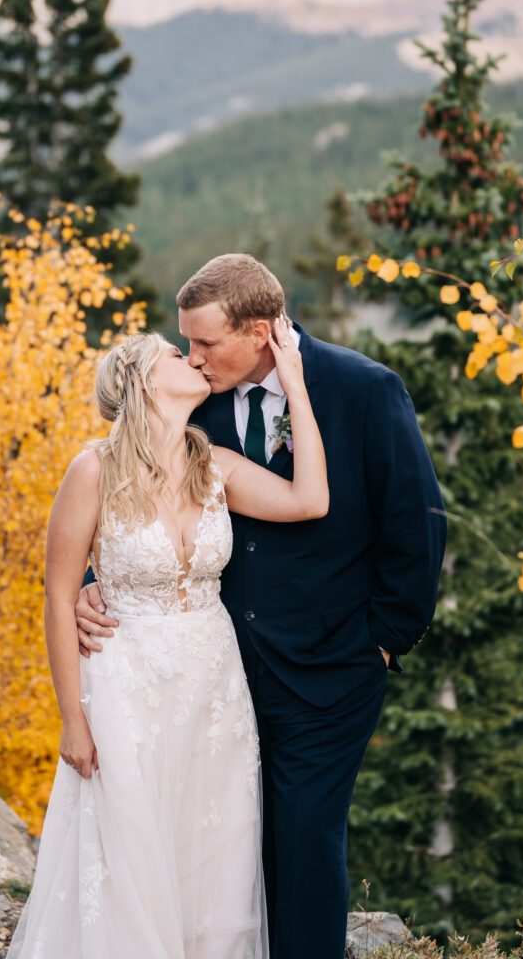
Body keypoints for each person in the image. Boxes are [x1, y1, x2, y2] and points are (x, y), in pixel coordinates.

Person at [76, 254, 447, 959]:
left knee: (303, 833)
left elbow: (416, 519)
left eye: (206, 343)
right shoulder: (193, 396)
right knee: (225, 836)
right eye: (186, 344)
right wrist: (100, 580)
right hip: (213, 668)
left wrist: (385, 638)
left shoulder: (362, 389)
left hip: (332, 664)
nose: (194, 357)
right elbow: (141, 495)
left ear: (263, 329)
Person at [6, 316, 328, 959]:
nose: (195, 360)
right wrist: (72, 719)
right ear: (147, 382)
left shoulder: (217, 468)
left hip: (214, 689)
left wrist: (294, 381)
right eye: (177, 355)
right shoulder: (91, 471)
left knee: (214, 853)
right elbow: (59, 595)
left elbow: (309, 500)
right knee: (129, 856)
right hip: (127, 687)